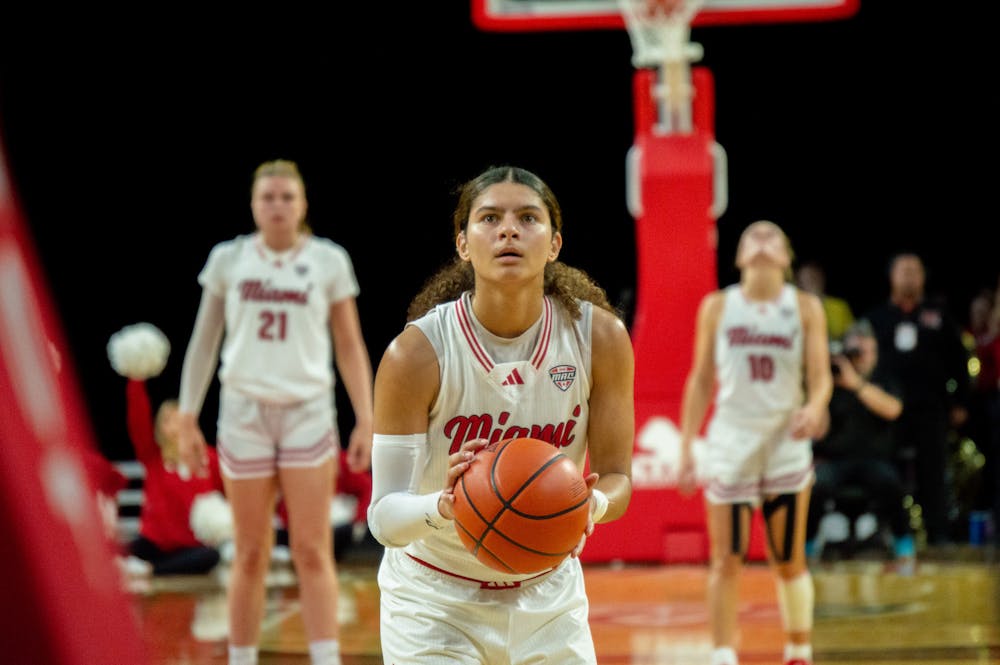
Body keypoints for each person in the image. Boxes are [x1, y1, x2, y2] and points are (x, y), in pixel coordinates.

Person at [366, 165, 635, 664]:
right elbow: (383, 517)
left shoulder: (600, 339)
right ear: (463, 243)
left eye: (527, 218)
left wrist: (589, 505)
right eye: (489, 218)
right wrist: (444, 505)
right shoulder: (417, 354)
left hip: (549, 596)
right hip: (433, 598)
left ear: (554, 243)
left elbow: (618, 477)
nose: (508, 229)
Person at [176, 158, 374, 665]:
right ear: (253, 205)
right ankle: (241, 658)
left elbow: (349, 345)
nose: (278, 205)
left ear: (303, 203)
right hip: (244, 412)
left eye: (288, 196)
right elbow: (203, 342)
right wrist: (187, 413)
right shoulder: (229, 258)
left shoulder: (329, 260)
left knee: (312, 549)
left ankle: (325, 658)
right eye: (268, 196)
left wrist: (366, 417)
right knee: (249, 551)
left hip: (307, 411)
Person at [676, 220, 833, 665]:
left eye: (773, 236)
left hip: (785, 438)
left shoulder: (804, 307)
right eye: (752, 235)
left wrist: (816, 406)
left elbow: (820, 378)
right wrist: (688, 447)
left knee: (787, 558)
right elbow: (701, 379)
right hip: (731, 439)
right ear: (739, 256)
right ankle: (723, 655)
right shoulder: (717, 306)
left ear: (786, 258)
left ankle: (799, 650)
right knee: (727, 560)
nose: (762, 239)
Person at [863, 252, 972, 545]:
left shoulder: (939, 316)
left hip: (931, 407)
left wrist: (960, 401)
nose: (909, 275)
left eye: (915, 270)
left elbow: (959, 361)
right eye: (903, 270)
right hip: (886, 411)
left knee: (933, 471)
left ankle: (938, 534)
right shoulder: (876, 319)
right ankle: (891, 532)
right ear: (891, 276)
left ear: (923, 277)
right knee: (887, 472)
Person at [805, 319, 915, 569]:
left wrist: (857, 384)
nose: (858, 355)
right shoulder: (831, 381)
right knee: (816, 485)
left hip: (874, 460)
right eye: (853, 350)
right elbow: (818, 429)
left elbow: (893, 409)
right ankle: (807, 545)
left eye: (863, 350)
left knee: (889, 482)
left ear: (874, 349)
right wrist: (823, 386)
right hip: (836, 460)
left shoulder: (884, 377)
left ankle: (903, 543)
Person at [124, 377, 226, 576]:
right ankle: (150, 566)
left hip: (192, 546)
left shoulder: (209, 458)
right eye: (167, 419)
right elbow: (137, 417)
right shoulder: (153, 455)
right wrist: (136, 378)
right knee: (115, 553)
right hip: (155, 543)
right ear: (160, 427)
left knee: (210, 557)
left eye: (179, 416)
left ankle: (151, 570)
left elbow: (228, 494)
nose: (175, 423)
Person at [795, 259, 855, 341]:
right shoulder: (794, 308)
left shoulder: (839, 306)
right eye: (805, 280)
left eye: (813, 278)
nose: (811, 284)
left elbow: (851, 336)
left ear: (822, 278)